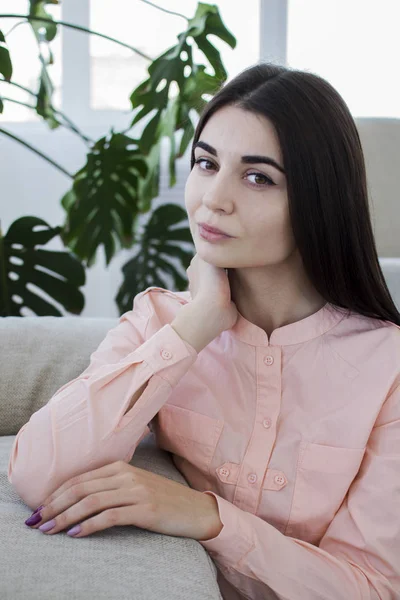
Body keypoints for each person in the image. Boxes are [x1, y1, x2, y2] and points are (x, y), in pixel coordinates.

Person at [8, 62, 400, 599]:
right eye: (206, 163)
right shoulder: (162, 324)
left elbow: (372, 589)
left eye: (258, 176)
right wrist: (194, 328)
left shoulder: (389, 368)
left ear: (320, 197)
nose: (213, 198)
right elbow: (36, 474)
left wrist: (207, 517)